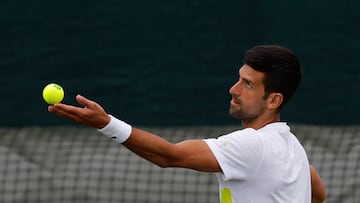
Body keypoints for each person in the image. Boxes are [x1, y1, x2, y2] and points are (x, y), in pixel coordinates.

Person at [48, 45, 326, 203]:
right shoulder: (292, 148)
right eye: (239, 78)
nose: (234, 89)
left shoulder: (252, 145)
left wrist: (106, 123)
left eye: (248, 84)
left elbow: (169, 156)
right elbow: (317, 192)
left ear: (274, 100)